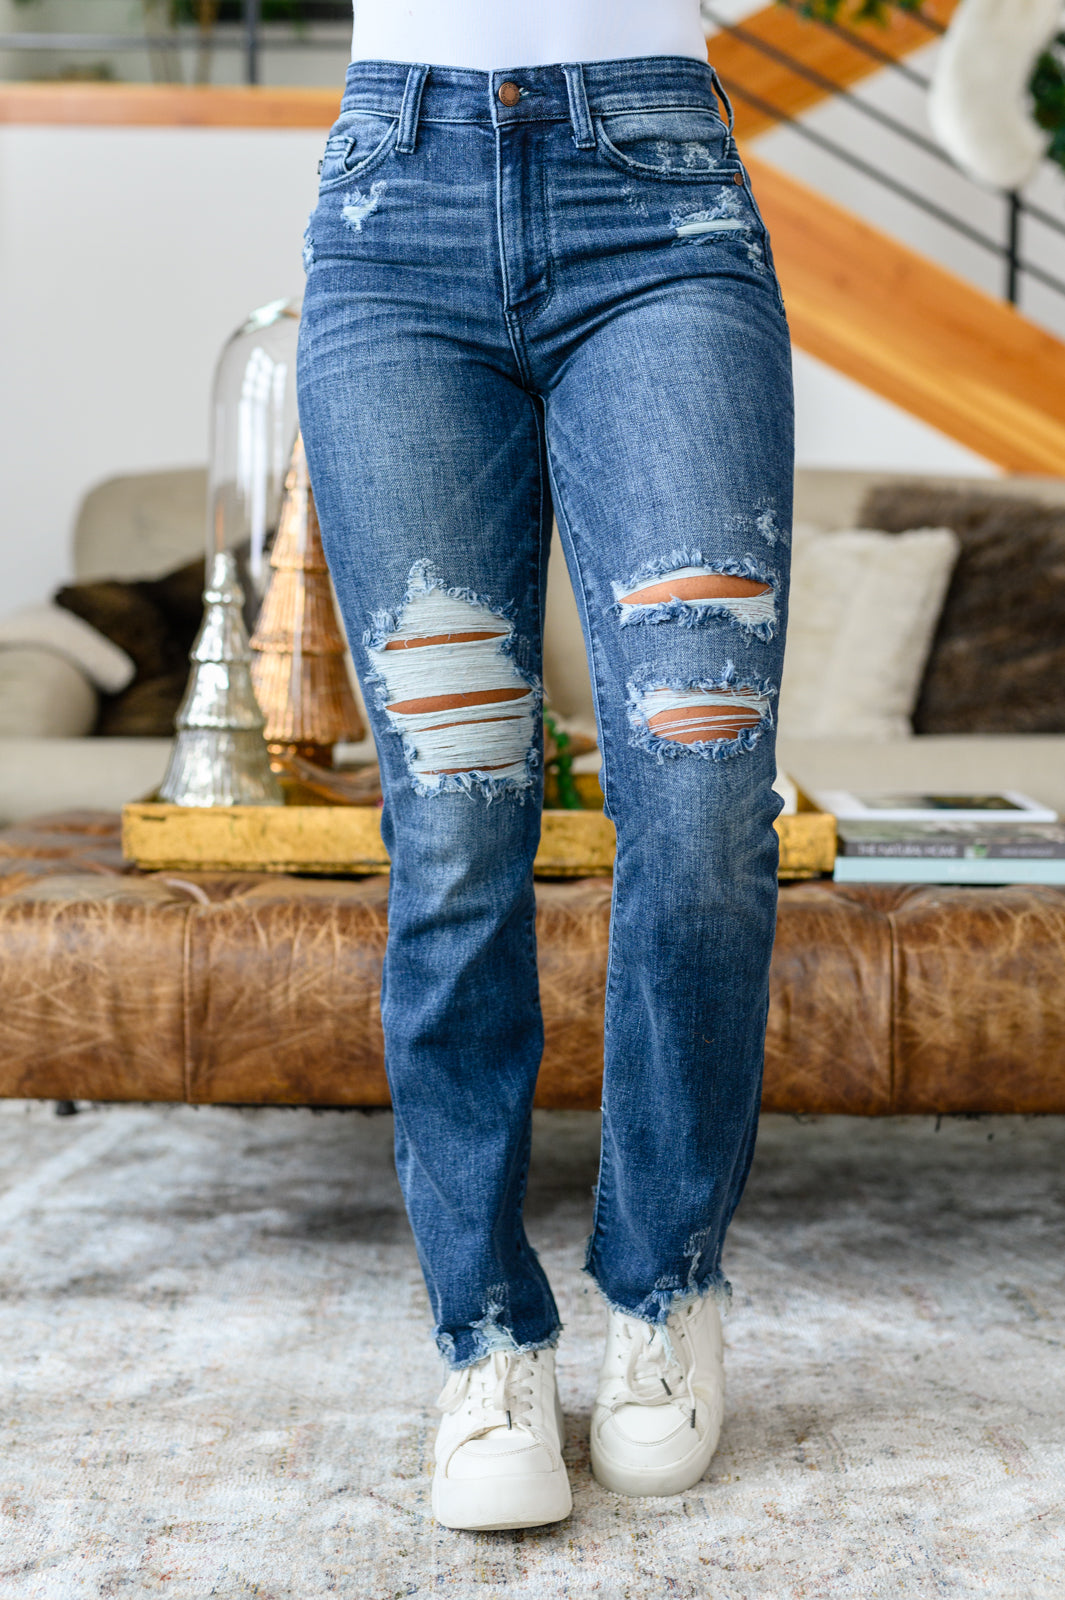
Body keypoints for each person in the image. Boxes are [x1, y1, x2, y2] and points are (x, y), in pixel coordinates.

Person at [297, 0, 793, 1532]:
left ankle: (665, 1289)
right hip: (394, 208)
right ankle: (486, 1340)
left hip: (658, 198)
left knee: (702, 805)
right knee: (453, 822)